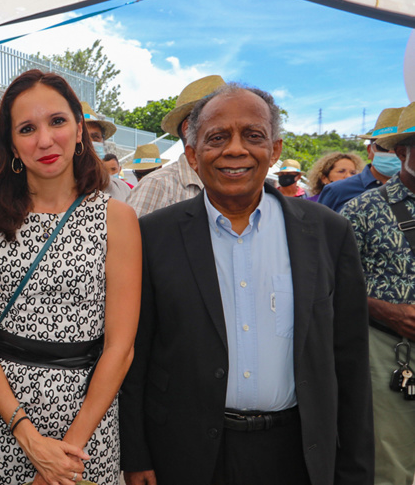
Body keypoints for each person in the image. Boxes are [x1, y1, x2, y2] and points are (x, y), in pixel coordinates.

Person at [120, 83, 373, 485]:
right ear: (192, 154)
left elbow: (352, 364)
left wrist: (355, 471)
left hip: (297, 455)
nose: (235, 150)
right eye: (217, 138)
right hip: (186, 456)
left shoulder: (328, 233)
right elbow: (134, 354)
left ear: (274, 149)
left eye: (253, 136)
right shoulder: (153, 236)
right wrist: (135, 455)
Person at [0, 69, 141, 485]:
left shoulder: (117, 218)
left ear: (79, 129)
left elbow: (120, 348)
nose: (44, 140)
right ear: (12, 145)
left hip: (87, 422)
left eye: (57, 121)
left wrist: (66, 457)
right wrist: (28, 437)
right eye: (26, 128)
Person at [341, 101, 415, 485]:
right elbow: (331, 287)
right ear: (402, 152)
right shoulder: (361, 211)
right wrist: (387, 311)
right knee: (392, 462)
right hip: (389, 351)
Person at [126, 75, 224, 217]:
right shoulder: (158, 186)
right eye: (220, 119)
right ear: (188, 127)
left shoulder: (234, 184)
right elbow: (129, 238)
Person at [318, 107, 404, 212]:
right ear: (369, 150)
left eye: (400, 148)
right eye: (384, 146)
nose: (392, 153)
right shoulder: (337, 191)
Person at [80, 102, 130, 201]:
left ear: (103, 142)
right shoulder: (53, 189)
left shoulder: (122, 189)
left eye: (96, 137)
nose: (90, 143)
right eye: (83, 137)